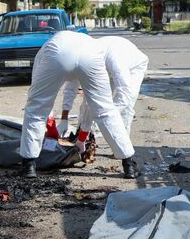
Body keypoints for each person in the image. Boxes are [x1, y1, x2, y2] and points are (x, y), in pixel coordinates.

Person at [20, 31, 140, 179]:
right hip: (90, 55)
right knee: (105, 110)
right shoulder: (92, 47)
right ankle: (128, 165)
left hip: (59, 53)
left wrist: (51, 125)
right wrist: (69, 125)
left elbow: (40, 99)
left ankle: (29, 166)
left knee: (36, 109)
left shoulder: (45, 53)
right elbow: (84, 99)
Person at [58, 36, 149, 137]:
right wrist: (64, 118)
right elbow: (71, 88)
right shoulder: (81, 60)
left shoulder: (115, 62)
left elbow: (125, 93)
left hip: (133, 67)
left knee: (125, 108)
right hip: (106, 66)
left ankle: (121, 148)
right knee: (89, 100)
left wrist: (107, 118)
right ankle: (82, 137)